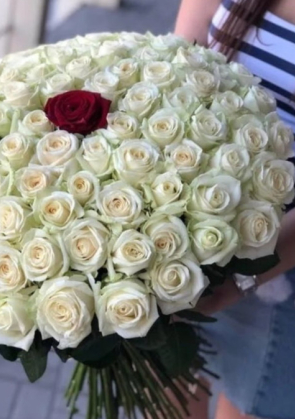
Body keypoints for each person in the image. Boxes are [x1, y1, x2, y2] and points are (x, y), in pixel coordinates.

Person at [174, 1, 295, 419]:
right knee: (171, 392)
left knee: (245, 406)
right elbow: (171, 73)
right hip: (187, 233)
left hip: (281, 265)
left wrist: (236, 283)